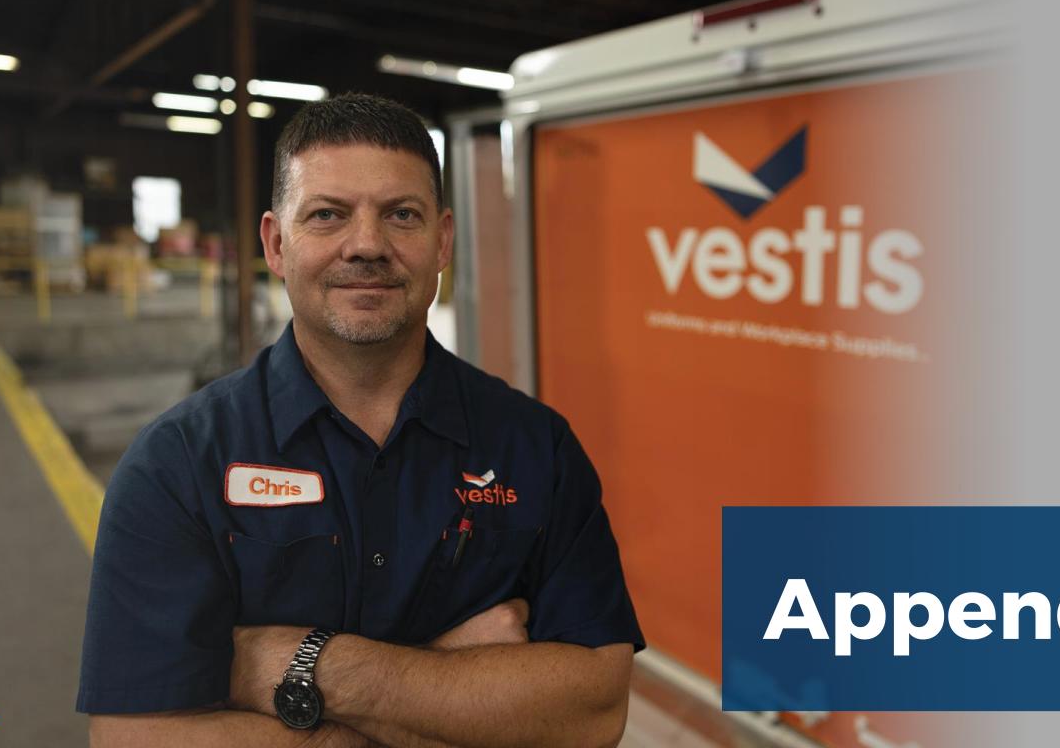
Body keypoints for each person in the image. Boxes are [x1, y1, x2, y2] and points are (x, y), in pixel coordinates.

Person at [78, 93, 644, 747]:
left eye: (401, 214)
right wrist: (447, 693)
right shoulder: (177, 465)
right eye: (327, 215)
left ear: (442, 241)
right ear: (276, 244)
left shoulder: (537, 447)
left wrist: (306, 668)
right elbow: (133, 737)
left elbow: (594, 712)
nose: (367, 245)